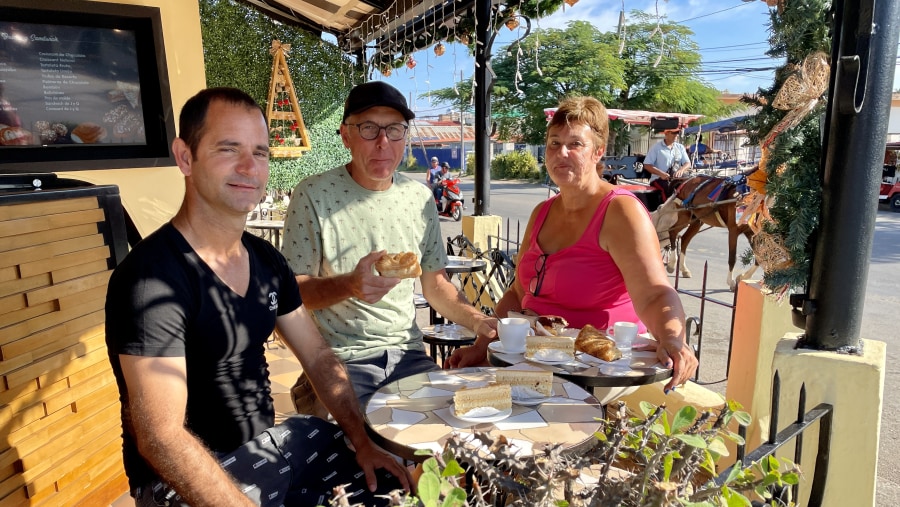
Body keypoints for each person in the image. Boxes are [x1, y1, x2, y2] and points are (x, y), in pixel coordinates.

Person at [105, 87, 410, 507]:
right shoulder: (151, 280)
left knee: (393, 484)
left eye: (261, 153)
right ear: (185, 157)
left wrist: (362, 443)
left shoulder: (266, 261)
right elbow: (161, 439)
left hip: (269, 451)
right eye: (229, 149)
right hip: (178, 481)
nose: (250, 167)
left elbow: (318, 358)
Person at [447, 96, 698, 393]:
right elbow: (517, 293)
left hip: (594, 374)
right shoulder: (542, 212)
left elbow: (654, 293)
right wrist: (481, 346)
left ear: (598, 152)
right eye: (554, 143)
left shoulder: (620, 211)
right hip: (531, 364)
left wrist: (672, 339)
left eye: (575, 144)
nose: (561, 153)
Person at [281, 81, 498, 411]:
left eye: (394, 130)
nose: (383, 142)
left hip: (407, 356)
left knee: (456, 434)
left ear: (405, 137)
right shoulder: (312, 195)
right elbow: (293, 293)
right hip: (340, 359)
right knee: (371, 450)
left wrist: (478, 320)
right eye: (369, 128)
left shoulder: (419, 198)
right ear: (345, 135)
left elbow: (436, 285)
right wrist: (350, 285)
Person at [643, 128, 692, 200]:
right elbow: (647, 165)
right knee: (669, 189)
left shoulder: (680, 147)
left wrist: (681, 170)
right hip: (659, 179)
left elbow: (687, 163)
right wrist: (661, 174)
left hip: (675, 178)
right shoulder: (656, 147)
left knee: (691, 184)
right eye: (673, 133)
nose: (676, 135)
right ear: (666, 134)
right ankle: (666, 208)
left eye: (677, 133)